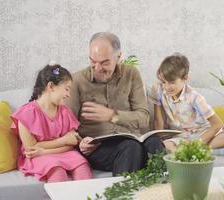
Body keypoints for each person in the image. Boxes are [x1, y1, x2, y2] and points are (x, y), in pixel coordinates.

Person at [66, 32, 164, 176]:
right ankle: (122, 195)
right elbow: (67, 125)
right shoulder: (76, 81)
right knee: (130, 147)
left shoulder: (131, 74)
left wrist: (113, 116)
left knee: (154, 143)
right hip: (98, 148)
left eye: (104, 62)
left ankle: (165, 193)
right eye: (93, 61)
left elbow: (143, 117)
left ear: (118, 57)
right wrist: (81, 142)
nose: (98, 68)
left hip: (132, 139)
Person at [150, 53, 224, 154]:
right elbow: (158, 120)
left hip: (203, 135)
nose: (167, 87)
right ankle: (214, 151)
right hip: (180, 137)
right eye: (164, 82)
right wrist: (160, 138)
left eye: (172, 82)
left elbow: (217, 124)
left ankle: (198, 149)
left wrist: (198, 143)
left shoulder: (195, 97)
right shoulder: (158, 90)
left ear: (185, 78)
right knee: (166, 146)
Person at [11, 63, 92, 183]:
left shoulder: (65, 111)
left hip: (64, 153)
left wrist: (45, 149)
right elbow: (31, 148)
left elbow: (71, 142)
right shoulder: (26, 113)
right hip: (39, 157)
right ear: (51, 86)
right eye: (67, 88)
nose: (68, 94)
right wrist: (62, 140)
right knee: (57, 170)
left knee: (82, 167)